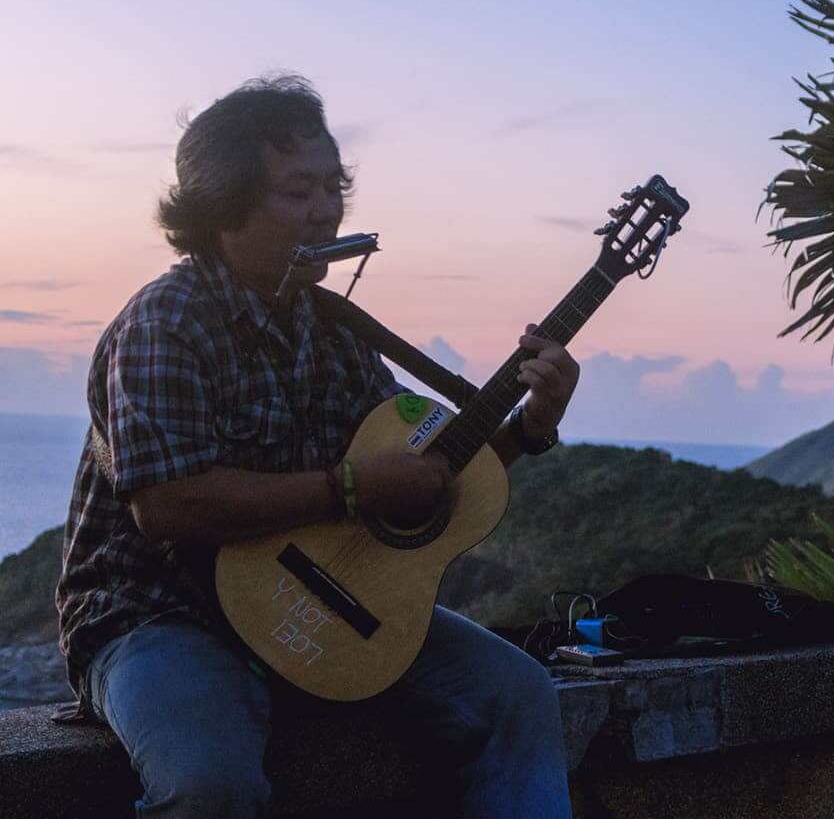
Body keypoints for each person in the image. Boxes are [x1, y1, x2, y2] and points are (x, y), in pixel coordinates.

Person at [56, 74, 580, 819]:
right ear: (223, 203)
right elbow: (169, 505)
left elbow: (426, 467)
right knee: (211, 784)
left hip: (315, 600)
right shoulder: (164, 323)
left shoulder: (332, 326)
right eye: (297, 191)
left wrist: (531, 423)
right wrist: (352, 489)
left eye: (332, 187)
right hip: (156, 612)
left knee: (519, 694)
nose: (326, 209)